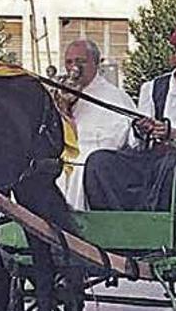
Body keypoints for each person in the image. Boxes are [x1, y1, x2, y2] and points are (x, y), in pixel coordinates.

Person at [84, 16, 176, 211]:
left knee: (172, 163)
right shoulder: (152, 88)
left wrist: (173, 134)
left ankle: (149, 219)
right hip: (148, 161)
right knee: (99, 161)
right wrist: (141, 129)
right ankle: (116, 222)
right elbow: (135, 143)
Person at [57, 40, 136, 210]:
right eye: (69, 62)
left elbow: (118, 141)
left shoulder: (115, 98)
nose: (74, 67)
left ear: (95, 63)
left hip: (94, 166)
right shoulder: (61, 92)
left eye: (80, 61)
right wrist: (65, 108)